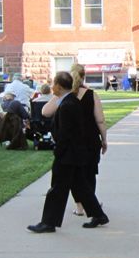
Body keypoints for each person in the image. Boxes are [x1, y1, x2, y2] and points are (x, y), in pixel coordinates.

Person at [28, 71, 109, 233]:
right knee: (81, 187)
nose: (52, 87)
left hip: (68, 155)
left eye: (54, 84)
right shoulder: (71, 101)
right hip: (75, 152)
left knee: (57, 189)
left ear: (58, 86)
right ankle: (99, 215)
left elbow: (64, 134)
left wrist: (58, 152)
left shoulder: (67, 105)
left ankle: (48, 222)